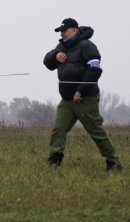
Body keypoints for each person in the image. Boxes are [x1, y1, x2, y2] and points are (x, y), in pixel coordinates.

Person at [43, 18, 122, 171]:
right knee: (58, 130)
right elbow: (47, 63)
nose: (62, 34)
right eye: (60, 31)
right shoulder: (61, 47)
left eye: (64, 31)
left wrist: (80, 90)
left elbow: (95, 70)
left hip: (85, 98)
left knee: (95, 131)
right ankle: (54, 160)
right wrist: (55, 55)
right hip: (67, 100)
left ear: (74, 30)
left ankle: (113, 162)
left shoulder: (87, 46)